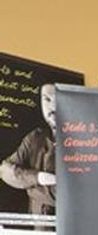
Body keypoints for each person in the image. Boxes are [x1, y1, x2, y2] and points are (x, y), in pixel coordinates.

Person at [0, 83, 58, 225]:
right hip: (39, 225)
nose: (53, 107)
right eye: (47, 100)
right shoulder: (35, 138)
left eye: (59, 100)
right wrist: (38, 177)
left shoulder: (85, 140)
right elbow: (5, 170)